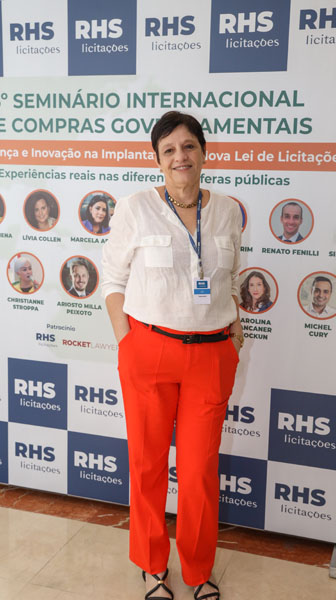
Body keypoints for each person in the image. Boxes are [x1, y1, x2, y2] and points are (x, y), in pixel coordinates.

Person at [102, 111, 243, 600]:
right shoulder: (135, 207)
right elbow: (113, 280)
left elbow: (231, 275)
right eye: (169, 150)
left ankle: (198, 570)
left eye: (188, 146)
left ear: (203, 152)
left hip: (211, 354)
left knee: (200, 471)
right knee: (147, 464)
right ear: (157, 160)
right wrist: (126, 339)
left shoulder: (227, 210)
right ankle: (151, 565)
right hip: (149, 350)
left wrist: (235, 328)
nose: (180, 157)